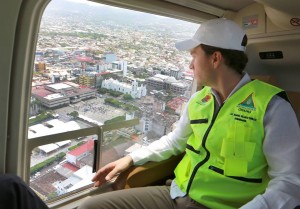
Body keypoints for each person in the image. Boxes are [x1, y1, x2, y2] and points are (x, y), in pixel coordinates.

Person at [78, 18, 300, 209]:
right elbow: (175, 142)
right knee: (89, 206)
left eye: (194, 56)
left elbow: (289, 182)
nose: (191, 65)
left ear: (215, 58)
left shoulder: (272, 106)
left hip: (224, 206)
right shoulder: (199, 100)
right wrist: (130, 158)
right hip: (175, 193)